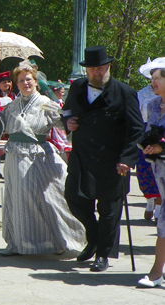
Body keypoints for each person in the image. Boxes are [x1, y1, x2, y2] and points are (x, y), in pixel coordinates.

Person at [62, 45, 144, 272]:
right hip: (82, 157)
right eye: (92, 69)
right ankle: (94, 237)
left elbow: (136, 129)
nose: (96, 72)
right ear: (86, 71)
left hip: (113, 161)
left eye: (100, 68)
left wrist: (127, 159)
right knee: (74, 198)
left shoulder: (124, 92)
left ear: (108, 67)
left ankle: (103, 254)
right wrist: (67, 123)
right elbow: (66, 111)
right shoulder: (77, 87)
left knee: (109, 211)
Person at [0, 63, 85, 256]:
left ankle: (58, 239)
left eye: (29, 79)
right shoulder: (11, 105)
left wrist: (69, 123)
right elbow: (2, 129)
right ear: (16, 84)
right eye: (21, 80)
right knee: (14, 197)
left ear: (35, 82)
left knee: (48, 198)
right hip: (13, 154)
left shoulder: (45, 102)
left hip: (37, 154)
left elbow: (62, 123)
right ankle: (16, 242)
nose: (25, 83)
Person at [136, 59, 165, 287]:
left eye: (157, 78)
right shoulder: (154, 104)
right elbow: (150, 131)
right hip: (159, 169)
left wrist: (162, 147)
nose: (152, 82)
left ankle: (156, 273)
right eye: (152, 78)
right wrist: (147, 145)